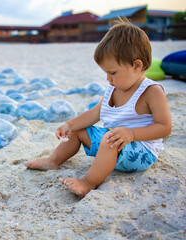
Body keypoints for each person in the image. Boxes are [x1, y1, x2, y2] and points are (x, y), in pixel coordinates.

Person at [24, 19, 172, 198]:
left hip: (141, 151)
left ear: (136, 65)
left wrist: (132, 134)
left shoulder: (151, 91)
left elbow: (164, 127)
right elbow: (95, 113)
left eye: (113, 73)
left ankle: (88, 182)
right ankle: (53, 161)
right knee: (80, 130)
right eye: (106, 73)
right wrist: (70, 124)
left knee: (109, 138)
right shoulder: (114, 88)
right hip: (113, 143)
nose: (108, 79)